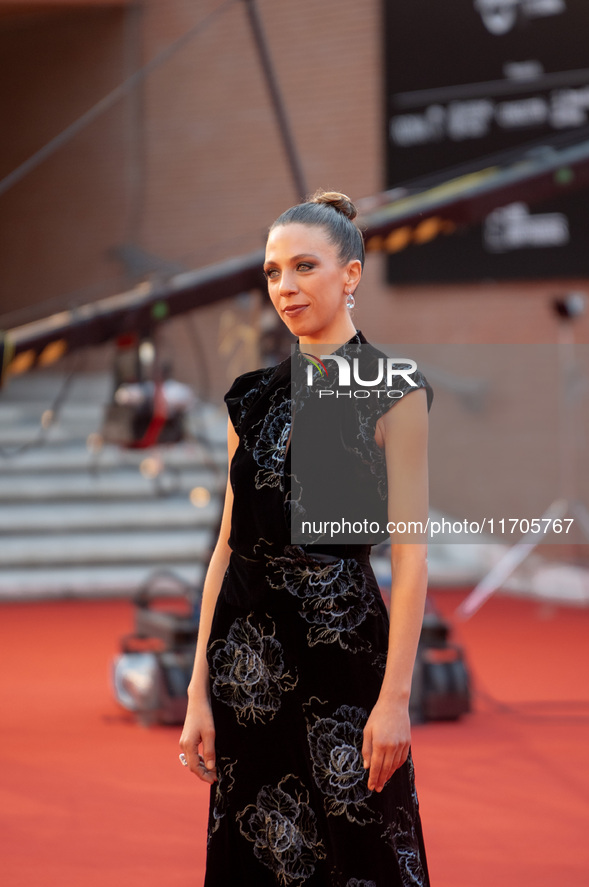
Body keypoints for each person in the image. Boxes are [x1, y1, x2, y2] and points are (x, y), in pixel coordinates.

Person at [179, 190, 432, 886]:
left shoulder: (393, 393)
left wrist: (395, 699)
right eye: (271, 272)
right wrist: (198, 690)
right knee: (256, 855)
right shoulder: (248, 397)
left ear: (349, 274)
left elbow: (411, 562)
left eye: (304, 267)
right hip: (246, 665)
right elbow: (226, 549)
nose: (285, 287)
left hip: (343, 661)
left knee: (363, 855)